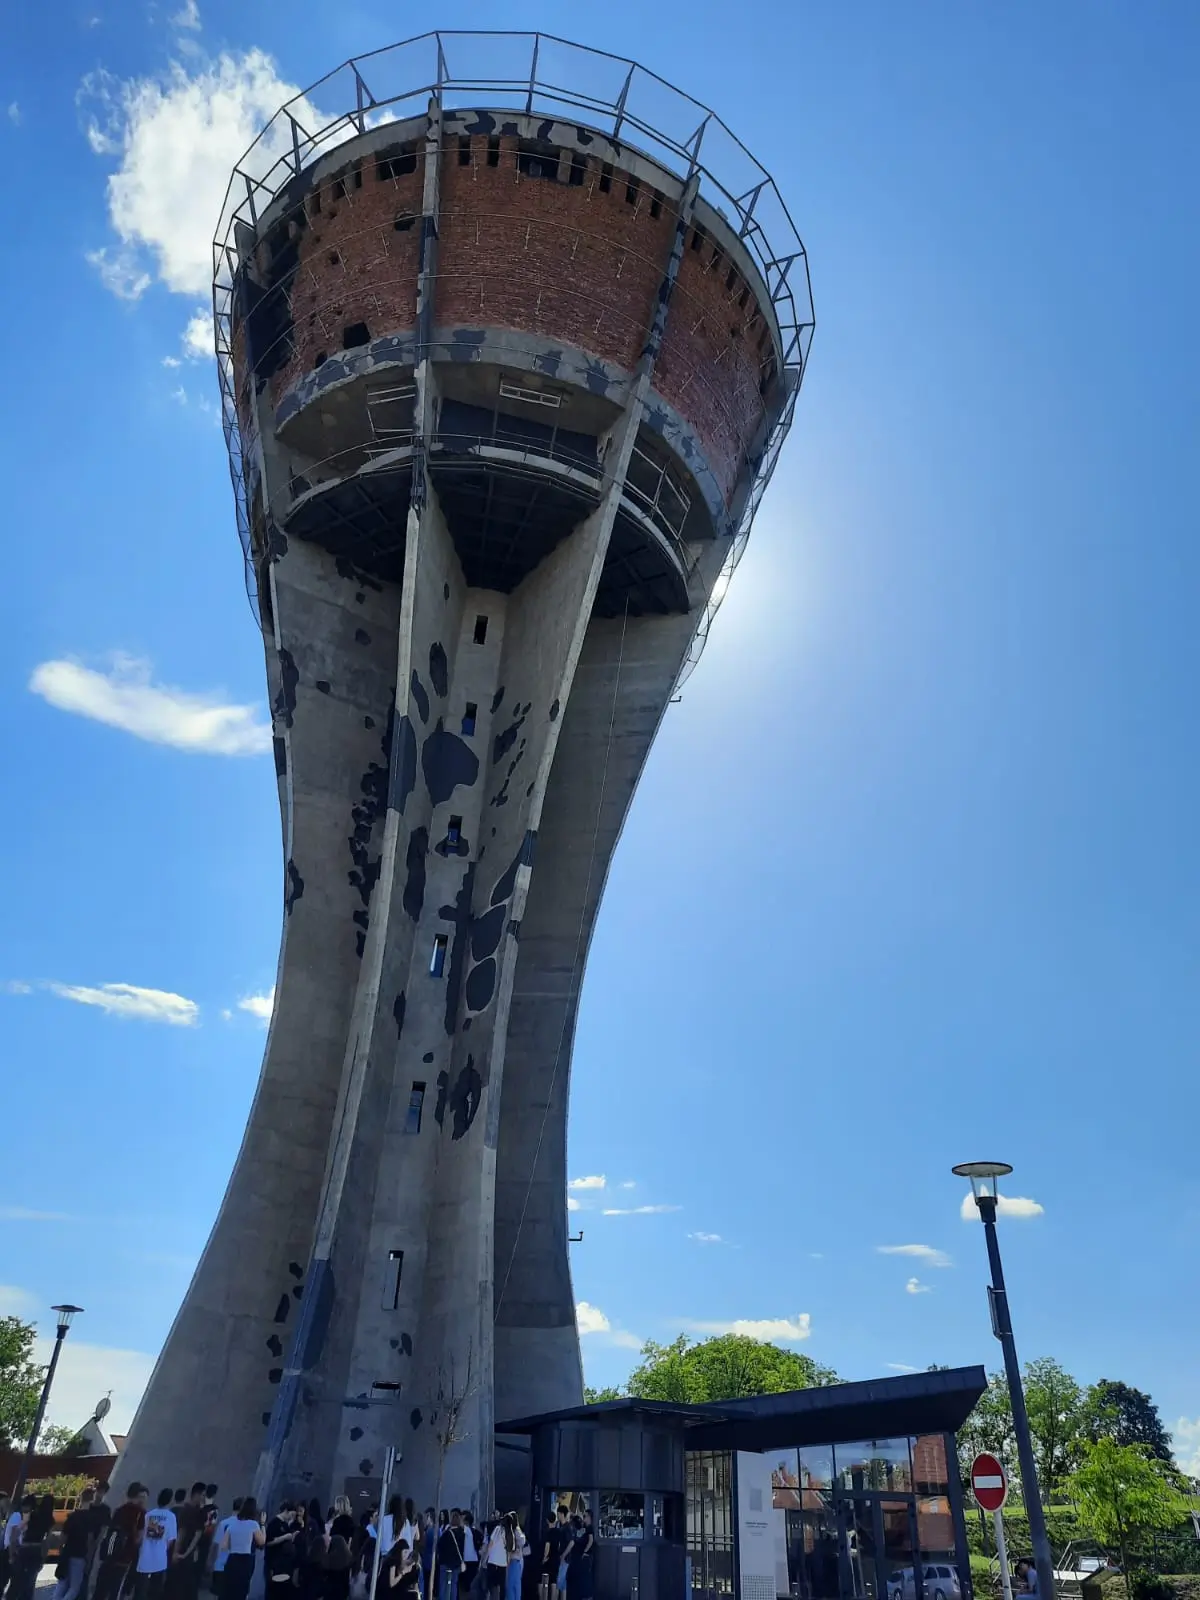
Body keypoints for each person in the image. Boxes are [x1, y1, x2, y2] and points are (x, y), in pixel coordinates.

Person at [93, 1485, 148, 1600]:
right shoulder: (141, 1513)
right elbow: (139, 1537)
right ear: (138, 1496)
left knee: (101, 1589)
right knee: (116, 1590)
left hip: (110, 1555)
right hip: (125, 1558)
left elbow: (110, 1531)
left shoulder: (119, 1510)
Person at [134, 1491, 178, 1600]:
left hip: (145, 1558)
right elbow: (171, 1539)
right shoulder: (171, 1516)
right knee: (155, 1592)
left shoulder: (148, 1515)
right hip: (160, 1560)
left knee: (140, 1592)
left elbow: (141, 1534)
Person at [54, 1489, 97, 1600]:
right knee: (74, 1588)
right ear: (92, 1499)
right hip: (80, 1555)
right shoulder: (91, 1517)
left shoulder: (72, 1516)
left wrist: (60, 1549)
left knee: (62, 1583)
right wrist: (89, 1557)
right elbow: (90, 1540)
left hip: (67, 1552)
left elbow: (63, 1536)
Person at [10, 1496, 54, 1600]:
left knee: (19, 1579)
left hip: (24, 1548)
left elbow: (17, 1532)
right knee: (31, 1581)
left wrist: (14, 1548)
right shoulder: (49, 1520)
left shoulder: (32, 1515)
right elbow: (47, 1541)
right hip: (36, 1549)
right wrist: (43, 1558)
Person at [219, 1500, 264, 1600]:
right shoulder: (253, 1524)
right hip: (245, 1560)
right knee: (242, 1589)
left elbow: (224, 1546)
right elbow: (261, 1542)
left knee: (229, 1588)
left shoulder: (233, 1524)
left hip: (232, 1559)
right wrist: (263, 1525)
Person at [172, 1485, 208, 1600]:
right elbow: (188, 1534)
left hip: (186, 1554)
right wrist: (182, 1553)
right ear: (196, 1494)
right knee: (185, 1587)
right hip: (187, 1555)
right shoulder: (194, 1512)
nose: (204, 1498)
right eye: (202, 1495)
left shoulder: (189, 1510)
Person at [208, 1500, 242, 1599]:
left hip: (220, 1565)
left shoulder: (223, 1523)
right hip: (235, 1566)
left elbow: (215, 1544)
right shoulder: (243, 1525)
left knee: (218, 1595)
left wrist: (210, 1561)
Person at [436, 1514, 465, 1600]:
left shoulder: (447, 1533)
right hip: (456, 1563)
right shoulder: (462, 1534)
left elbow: (439, 1545)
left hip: (445, 1562)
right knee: (454, 1584)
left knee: (443, 1584)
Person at [483, 1519, 506, 1599]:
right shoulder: (510, 1532)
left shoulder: (497, 1529)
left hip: (493, 1561)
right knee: (500, 1585)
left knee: (491, 1585)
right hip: (503, 1563)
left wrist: (485, 1559)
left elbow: (490, 1545)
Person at [458, 1516, 478, 1600]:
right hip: (472, 1560)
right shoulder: (471, 1531)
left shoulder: (468, 1530)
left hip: (469, 1561)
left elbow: (461, 1525)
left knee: (468, 1584)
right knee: (469, 1583)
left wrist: (460, 1518)